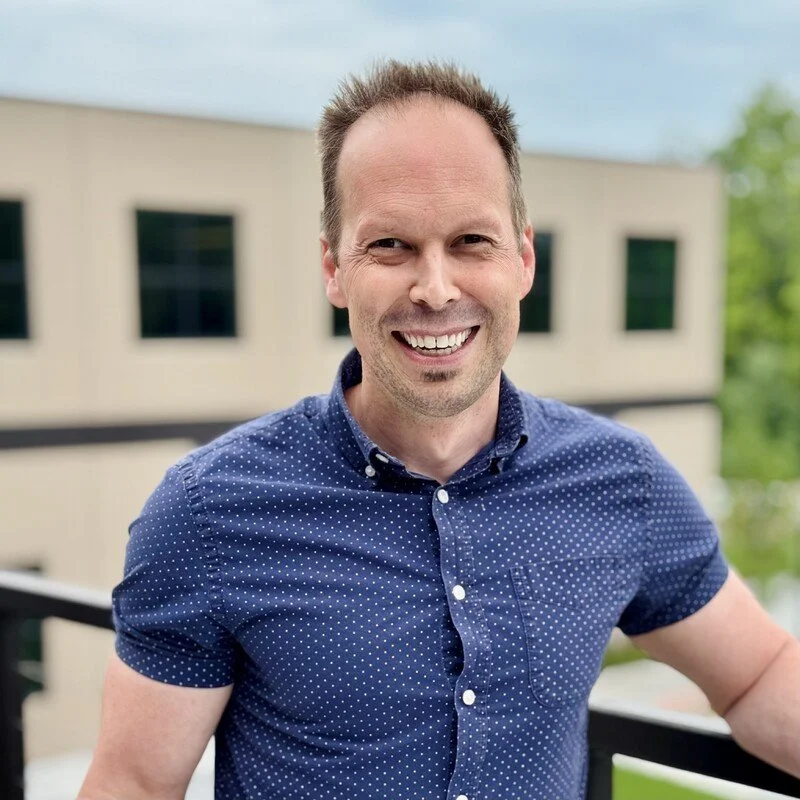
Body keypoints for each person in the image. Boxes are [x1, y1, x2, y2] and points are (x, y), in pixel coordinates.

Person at [79, 60, 799, 800]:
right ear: (334, 267)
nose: (434, 289)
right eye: (389, 246)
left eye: (470, 242)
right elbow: (133, 783)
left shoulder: (621, 483)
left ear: (523, 259)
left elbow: (757, 676)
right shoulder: (209, 513)